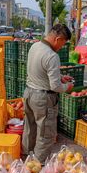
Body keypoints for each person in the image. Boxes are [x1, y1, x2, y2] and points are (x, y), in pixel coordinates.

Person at [22, 24, 74, 163]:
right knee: (46, 134)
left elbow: (40, 70)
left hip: (29, 93)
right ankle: (37, 166)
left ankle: (26, 157)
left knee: (30, 128)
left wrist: (60, 75)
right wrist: (67, 86)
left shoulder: (35, 46)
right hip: (43, 98)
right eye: (63, 43)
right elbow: (55, 86)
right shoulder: (52, 56)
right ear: (58, 39)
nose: (62, 47)